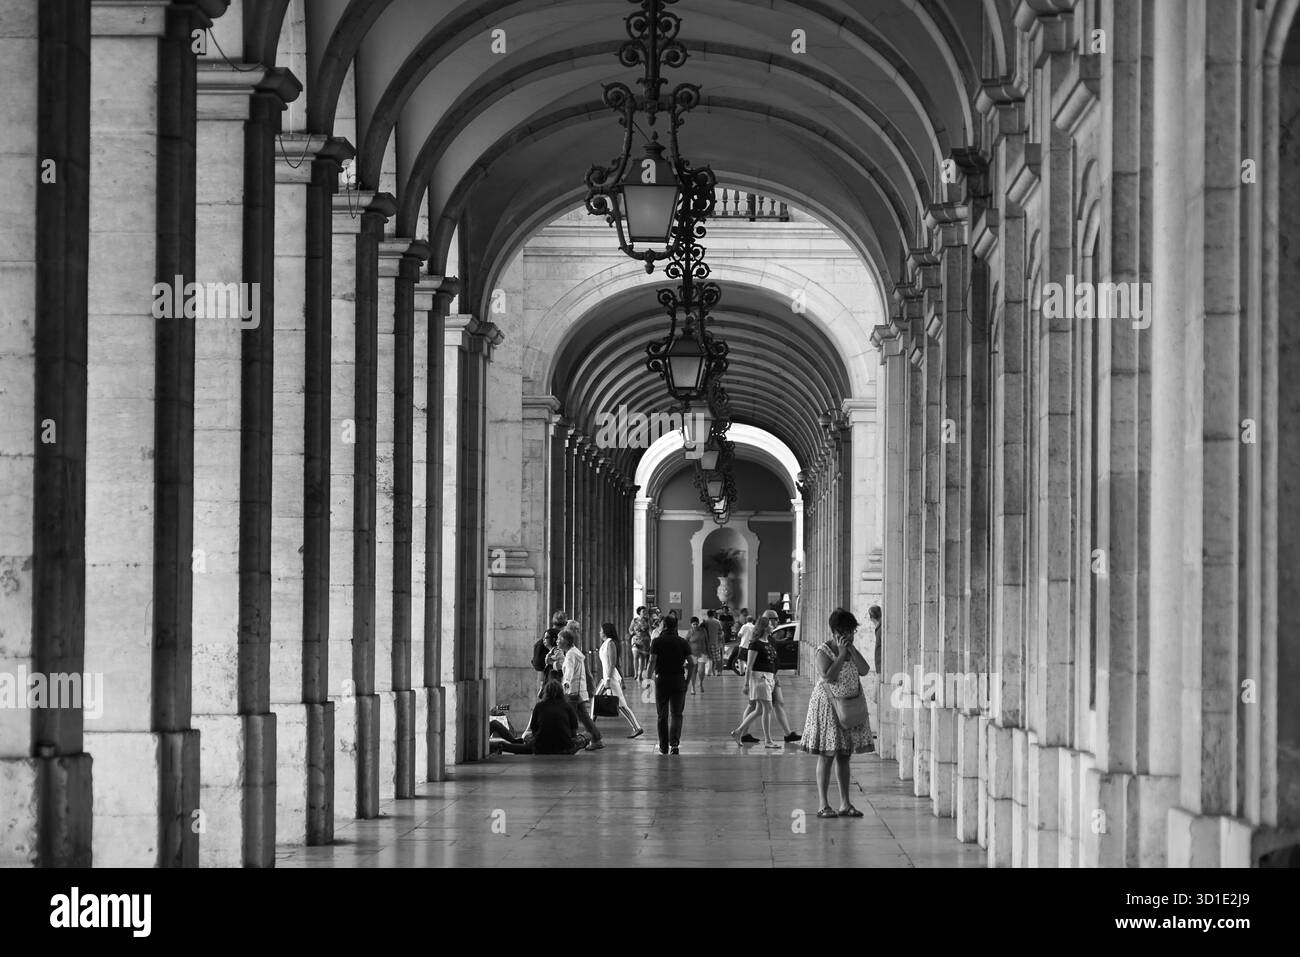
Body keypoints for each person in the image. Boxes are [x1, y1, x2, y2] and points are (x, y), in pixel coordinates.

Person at [801, 607, 874, 818]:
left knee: (844, 755)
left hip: (849, 707)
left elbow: (864, 669)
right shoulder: (823, 651)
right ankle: (823, 805)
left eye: (851, 632)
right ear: (835, 632)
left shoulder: (851, 649)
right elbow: (829, 676)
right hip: (829, 707)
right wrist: (841, 655)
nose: (849, 636)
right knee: (827, 755)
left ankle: (845, 803)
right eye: (845, 632)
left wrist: (851, 651)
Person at [729, 614, 786, 748]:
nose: (772, 626)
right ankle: (768, 741)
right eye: (770, 625)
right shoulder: (755, 644)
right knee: (768, 708)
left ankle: (738, 732)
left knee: (759, 710)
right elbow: (749, 666)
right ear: (765, 627)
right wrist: (746, 684)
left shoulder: (769, 642)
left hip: (769, 677)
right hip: (760, 678)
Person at [490, 679, 587, 755]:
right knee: (587, 736)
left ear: (546, 692)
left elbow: (534, 730)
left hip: (540, 747)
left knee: (521, 740)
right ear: (561, 692)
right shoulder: (568, 707)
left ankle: (495, 746)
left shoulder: (539, 706)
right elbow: (573, 734)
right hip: (564, 748)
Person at [646, 615, 694, 755]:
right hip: (678, 680)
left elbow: (652, 661)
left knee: (662, 715)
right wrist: (687, 680)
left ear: (664, 625)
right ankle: (674, 745)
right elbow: (692, 663)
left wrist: (648, 680)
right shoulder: (682, 642)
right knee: (677, 714)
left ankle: (663, 746)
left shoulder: (656, 642)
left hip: (662, 680)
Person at [558, 624, 604, 750]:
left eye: (559, 639)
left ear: (566, 641)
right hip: (578, 690)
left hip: (573, 692)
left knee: (570, 718)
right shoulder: (574, 652)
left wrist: (565, 687)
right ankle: (596, 739)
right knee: (583, 717)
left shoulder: (571, 655)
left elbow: (569, 672)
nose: (557, 641)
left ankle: (570, 742)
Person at [595, 621, 644, 738]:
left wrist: (608, 679)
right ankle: (590, 727)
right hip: (607, 678)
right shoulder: (606, 643)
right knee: (596, 702)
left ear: (606, 631)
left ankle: (637, 727)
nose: (599, 632)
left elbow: (613, 663)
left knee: (621, 705)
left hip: (610, 679)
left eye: (601, 630)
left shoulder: (610, 643)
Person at [534, 610, 567, 694]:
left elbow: (537, 664)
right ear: (566, 623)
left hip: (544, 677)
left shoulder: (544, 638)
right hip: (559, 678)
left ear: (553, 622)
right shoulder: (563, 639)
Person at [687, 616, 711, 693]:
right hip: (692, 653)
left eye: (696, 624)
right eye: (694, 624)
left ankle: (700, 682)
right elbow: (686, 642)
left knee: (701, 670)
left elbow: (707, 641)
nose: (695, 625)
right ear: (691, 624)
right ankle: (693, 687)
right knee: (693, 671)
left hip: (702, 652)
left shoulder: (703, 630)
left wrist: (709, 652)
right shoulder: (690, 632)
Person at [628, 606, 651, 683]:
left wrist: (652, 637)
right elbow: (630, 629)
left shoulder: (648, 620)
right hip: (636, 640)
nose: (644, 612)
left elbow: (650, 630)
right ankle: (635, 673)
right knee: (635, 656)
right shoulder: (634, 620)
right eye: (643, 611)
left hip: (645, 641)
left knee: (643, 658)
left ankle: (640, 674)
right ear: (639, 612)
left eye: (645, 611)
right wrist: (633, 633)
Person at [868, 604, 882, 676]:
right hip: (880, 666)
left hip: (881, 667)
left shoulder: (880, 629)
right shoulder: (880, 628)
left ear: (871, 617)